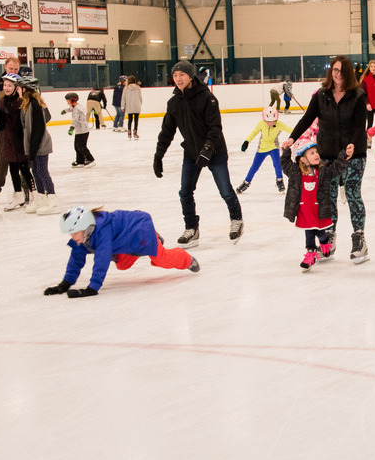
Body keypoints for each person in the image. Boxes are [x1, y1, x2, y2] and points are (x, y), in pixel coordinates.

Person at [287, 55, 370, 263]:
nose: (337, 74)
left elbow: (361, 126)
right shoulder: (321, 95)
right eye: (334, 70)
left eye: (341, 70)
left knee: (352, 193)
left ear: (348, 73)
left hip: (354, 154)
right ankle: (329, 235)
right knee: (327, 196)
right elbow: (307, 118)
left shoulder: (358, 96)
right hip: (327, 155)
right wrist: (292, 138)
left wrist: (351, 144)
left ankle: (359, 237)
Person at [154, 60, 244, 248]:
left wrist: (207, 150)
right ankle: (191, 228)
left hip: (215, 152)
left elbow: (215, 127)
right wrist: (158, 155)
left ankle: (236, 219)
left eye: (182, 75)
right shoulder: (174, 103)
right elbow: (167, 131)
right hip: (192, 152)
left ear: (190, 76)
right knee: (185, 192)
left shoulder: (206, 98)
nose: (178, 79)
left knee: (225, 190)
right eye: (175, 75)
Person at [45, 206, 199, 298]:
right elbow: (76, 258)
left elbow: (102, 259)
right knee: (122, 265)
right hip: (125, 241)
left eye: (74, 233)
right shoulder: (83, 236)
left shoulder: (102, 231)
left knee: (160, 259)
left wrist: (93, 288)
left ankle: (186, 259)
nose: (73, 238)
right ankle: (154, 239)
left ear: (85, 227)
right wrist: (65, 284)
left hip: (140, 230)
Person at [283, 138, 355, 271]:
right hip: (304, 210)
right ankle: (310, 254)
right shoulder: (295, 173)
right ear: (303, 159)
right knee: (309, 232)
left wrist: (343, 155)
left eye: (316, 152)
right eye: (311, 153)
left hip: (319, 210)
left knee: (320, 232)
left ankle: (324, 242)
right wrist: (286, 150)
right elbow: (285, 164)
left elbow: (336, 168)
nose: (316, 154)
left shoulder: (323, 171)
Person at [20, 76, 61, 215]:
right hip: (35, 145)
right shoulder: (28, 104)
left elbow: (37, 130)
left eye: (20, 88)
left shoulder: (35, 105)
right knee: (36, 172)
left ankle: (52, 199)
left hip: (40, 145)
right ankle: (42, 197)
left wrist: (32, 152)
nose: (18, 90)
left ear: (25, 89)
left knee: (42, 171)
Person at [0, 73, 34, 212]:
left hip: (20, 141)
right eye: (5, 85)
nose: (6, 88)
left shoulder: (21, 102)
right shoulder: (1, 102)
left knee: (24, 169)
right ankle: (18, 195)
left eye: (10, 85)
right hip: (9, 141)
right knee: (13, 169)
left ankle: (35, 194)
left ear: (16, 87)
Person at [236, 106, 292, 194]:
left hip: (274, 147)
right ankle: (246, 183)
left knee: (277, 165)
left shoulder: (279, 124)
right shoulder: (261, 124)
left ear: (276, 119)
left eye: (272, 121)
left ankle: (279, 181)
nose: (269, 123)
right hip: (261, 149)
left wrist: (302, 133)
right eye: (267, 121)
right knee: (254, 167)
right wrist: (247, 141)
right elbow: (254, 132)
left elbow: (290, 130)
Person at [0, 56, 21, 199]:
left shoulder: (23, 84)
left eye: (16, 69)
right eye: (11, 69)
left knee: (22, 160)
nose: (13, 71)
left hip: (19, 129)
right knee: (1, 158)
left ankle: (24, 188)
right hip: (3, 129)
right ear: (5, 68)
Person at [61, 92, 95, 168]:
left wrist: (71, 128)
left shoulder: (77, 110)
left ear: (73, 101)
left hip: (83, 130)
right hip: (79, 130)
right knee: (77, 146)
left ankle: (90, 159)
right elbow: (70, 109)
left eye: (68, 101)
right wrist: (65, 111)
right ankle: (80, 161)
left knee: (82, 146)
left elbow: (75, 120)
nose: (67, 103)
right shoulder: (75, 107)